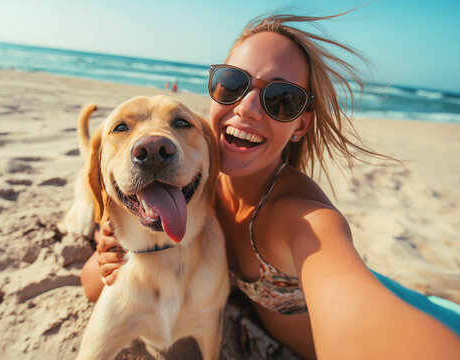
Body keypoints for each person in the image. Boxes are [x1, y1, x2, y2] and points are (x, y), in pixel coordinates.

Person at [80, 12, 460, 359]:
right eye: (232, 83)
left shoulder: (303, 219)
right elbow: (95, 285)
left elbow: (360, 309)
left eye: (281, 99)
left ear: (301, 126)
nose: (246, 107)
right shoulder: (193, 184)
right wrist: (112, 251)